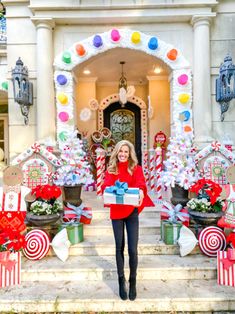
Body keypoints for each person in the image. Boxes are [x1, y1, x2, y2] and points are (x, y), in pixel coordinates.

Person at [102, 140, 154, 301]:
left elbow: (140, 183)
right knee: (119, 247)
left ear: (129, 153)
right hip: (116, 212)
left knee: (132, 249)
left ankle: (132, 281)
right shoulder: (111, 169)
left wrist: (140, 191)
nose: (123, 154)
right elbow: (107, 185)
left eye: (125, 151)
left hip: (132, 212)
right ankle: (120, 279)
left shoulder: (136, 169)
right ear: (116, 153)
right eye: (120, 152)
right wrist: (110, 189)